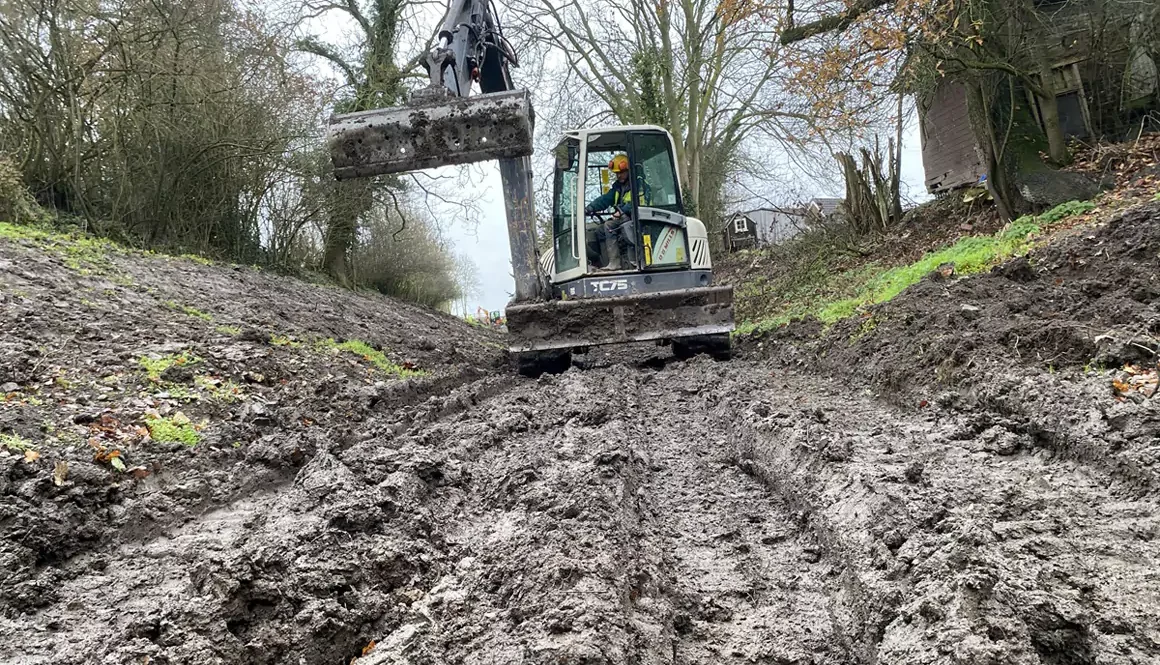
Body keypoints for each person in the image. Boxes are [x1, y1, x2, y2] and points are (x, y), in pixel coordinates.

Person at [584, 153, 650, 269]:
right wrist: (591, 207)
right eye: (616, 173)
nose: (618, 176)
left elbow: (639, 202)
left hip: (640, 219)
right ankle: (605, 263)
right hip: (625, 218)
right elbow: (606, 199)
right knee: (599, 230)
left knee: (609, 226)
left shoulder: (639, 185)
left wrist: (622, 211)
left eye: (621, 172)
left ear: (629, 171)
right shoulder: (619, 187)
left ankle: (615, 263)